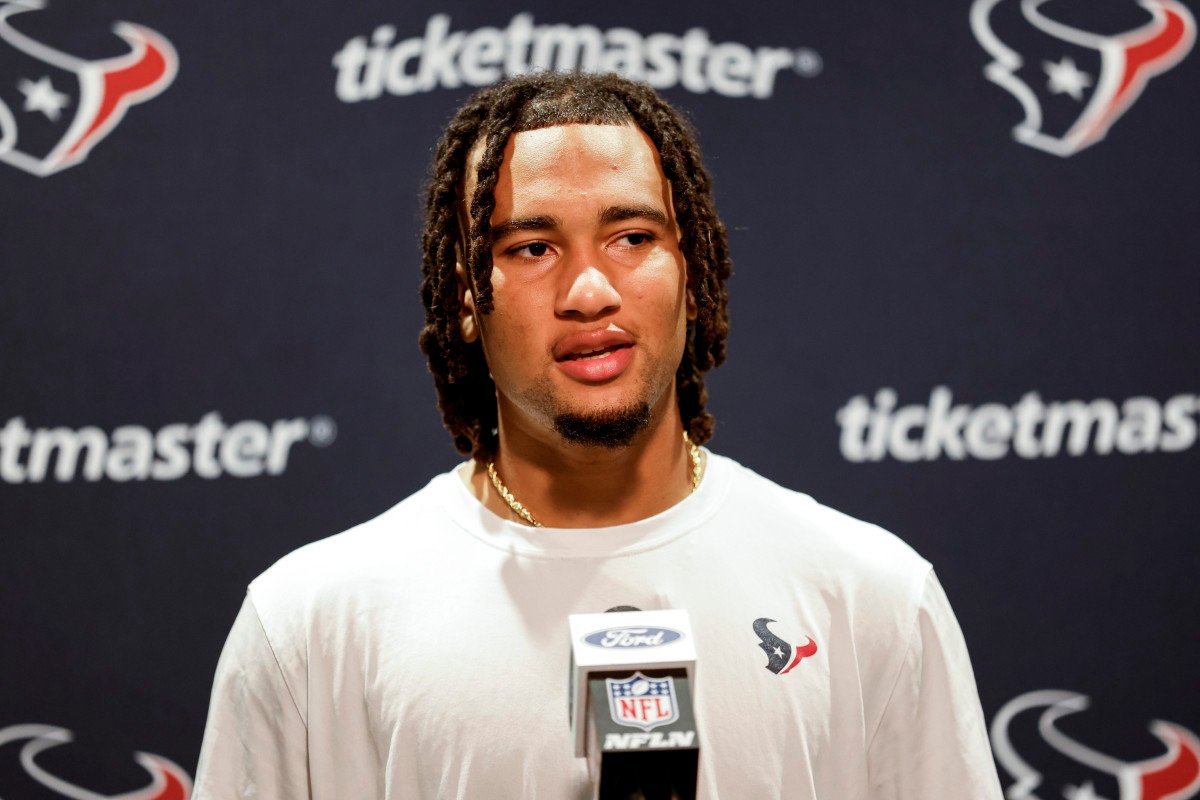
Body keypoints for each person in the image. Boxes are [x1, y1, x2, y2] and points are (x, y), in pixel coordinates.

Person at [193, 72, 1003, 799]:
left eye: (633, 238)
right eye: (533, 248)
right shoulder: (311, 624)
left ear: (693, 272)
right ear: (467, 298)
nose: (588, 291)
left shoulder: (871, 596)